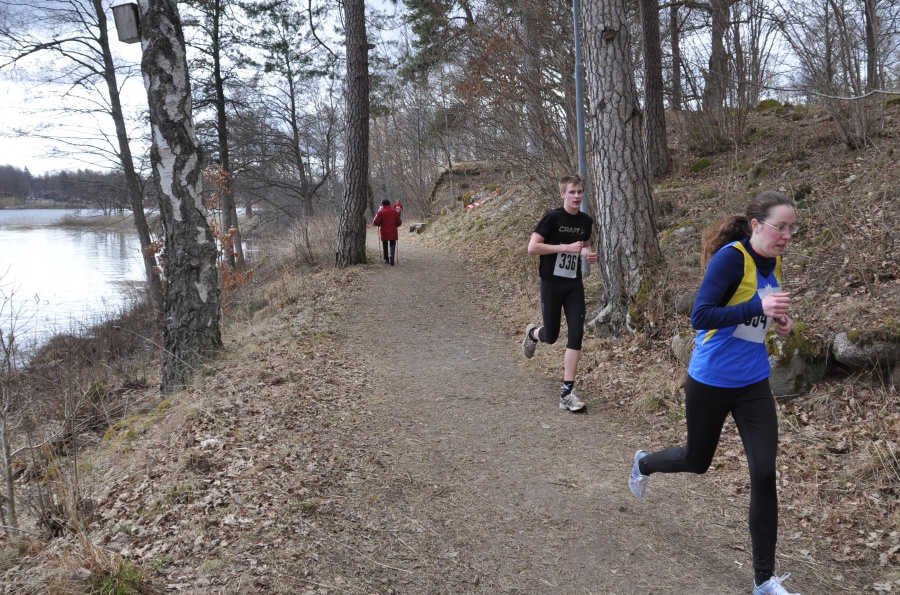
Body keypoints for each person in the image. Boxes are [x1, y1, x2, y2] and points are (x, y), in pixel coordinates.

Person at [628, 191, 801, 595]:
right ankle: (644, 464)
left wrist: (779, 318)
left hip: (753, 382)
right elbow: (700, 315)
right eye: (781, 226)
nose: (787, 235)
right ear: (757, 225)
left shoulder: (771, 259)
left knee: (763, 472)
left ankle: (763, 580)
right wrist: (759, 306)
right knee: (697, 459)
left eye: (792, 228)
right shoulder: (731, 258)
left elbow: (755, 309)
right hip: (711, 380)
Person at [521, 174, 598, 412]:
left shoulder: (586, 221)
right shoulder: (552, 218)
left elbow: (584, 246)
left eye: (580, 192)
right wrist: (564, 247)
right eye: (572, 192)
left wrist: (588, 254)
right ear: (562, 194)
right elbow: (532, 247)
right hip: (551, 283)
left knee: (576, 334)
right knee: (552, 335)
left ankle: (567, 392)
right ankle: (534, 334)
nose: (576, 196)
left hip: (573, 284)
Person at [373, 198, 401, 265]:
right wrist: (396, 225)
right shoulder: (394, 212)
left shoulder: (381, 212)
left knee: (385, 244)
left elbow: (376, 222)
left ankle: (386, 259)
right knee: (392, 243)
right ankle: (392, 255)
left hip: (384, 230)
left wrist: (377, 221)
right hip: (393, 230)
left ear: (382, 204)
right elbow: (399, 222)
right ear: (389, 204)